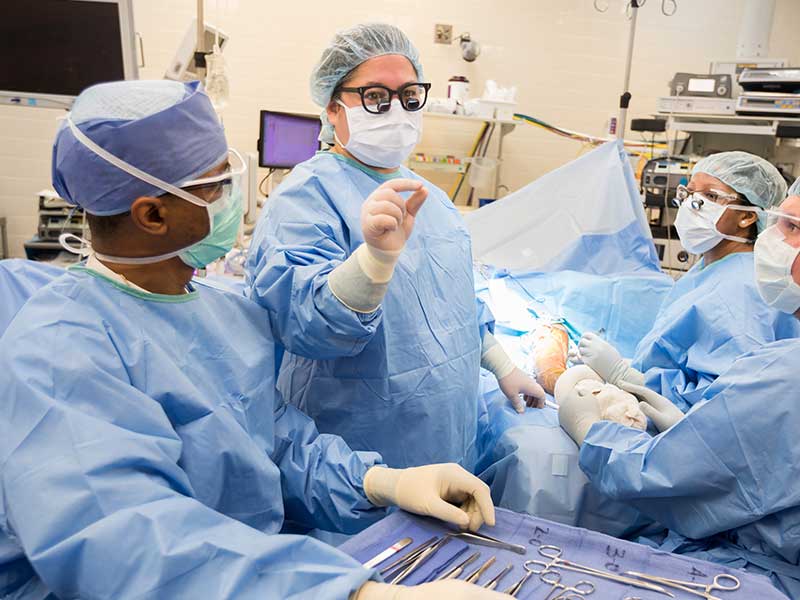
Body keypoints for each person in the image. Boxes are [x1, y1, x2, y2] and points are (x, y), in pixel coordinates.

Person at [0, 80, 510, 600]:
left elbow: (279, 447)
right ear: (152, 215)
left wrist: (383, 483)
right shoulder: (58, 350)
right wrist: (359, 596)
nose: (231, 199)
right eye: (215, 185)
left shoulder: (225, 316)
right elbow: (130, 548)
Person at [245, 23, 544, 470]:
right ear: (333, 107)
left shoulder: (432, 199)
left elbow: (457, 309)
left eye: (408, 96)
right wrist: (374, 260)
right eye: (375, 97)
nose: (396, 111)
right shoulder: (305, 197)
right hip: (356, 453)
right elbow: (304, 326)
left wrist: (503, 366)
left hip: (448, 434)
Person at [558, 184, 800, 598]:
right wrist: (695, 422)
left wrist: (591, 431)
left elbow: (660, 476)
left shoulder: (781, 376)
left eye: (792, 227)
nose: (775, 236)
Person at [577, 151, 799, 411]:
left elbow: (723, 403)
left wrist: (627, 378)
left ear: (748, 216)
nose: (693, 204)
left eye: (711, 196)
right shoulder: (710, 267)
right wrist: (631, 370)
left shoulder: (741, 288)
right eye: (690, 192)